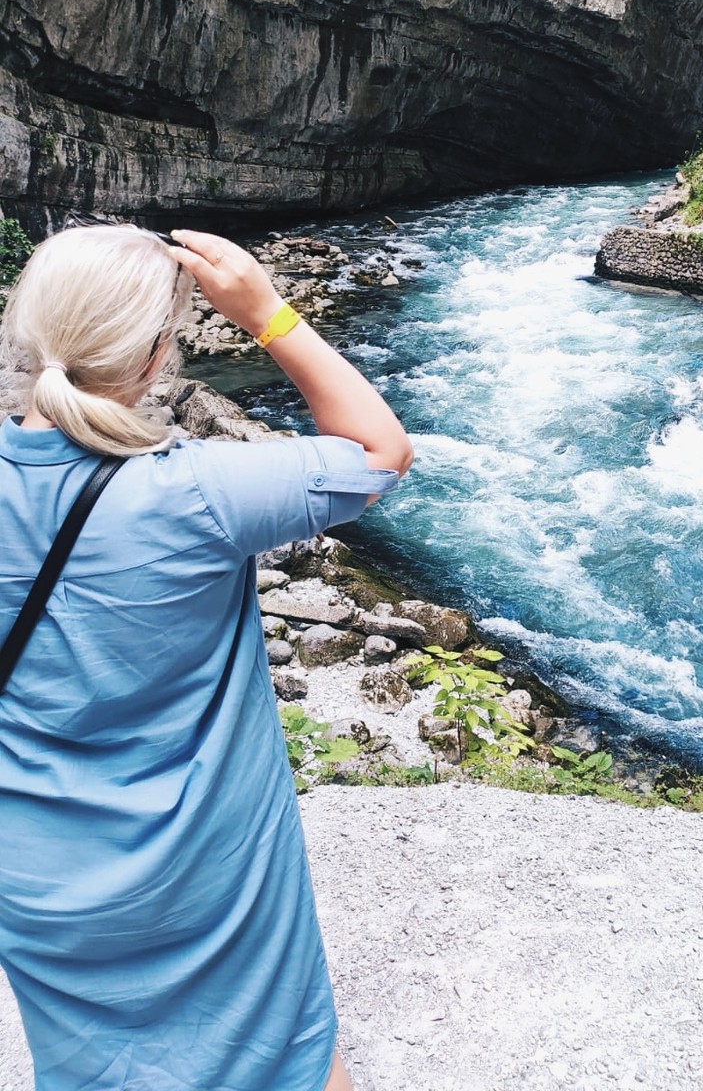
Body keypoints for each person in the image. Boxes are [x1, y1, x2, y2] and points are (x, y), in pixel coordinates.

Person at [0, 222, 413, 1091]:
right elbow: (380, 452)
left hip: (37, 878)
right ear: (157, 357)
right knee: (287, 1059)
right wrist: (267, 313)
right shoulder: (197, 490)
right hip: (208, 872)